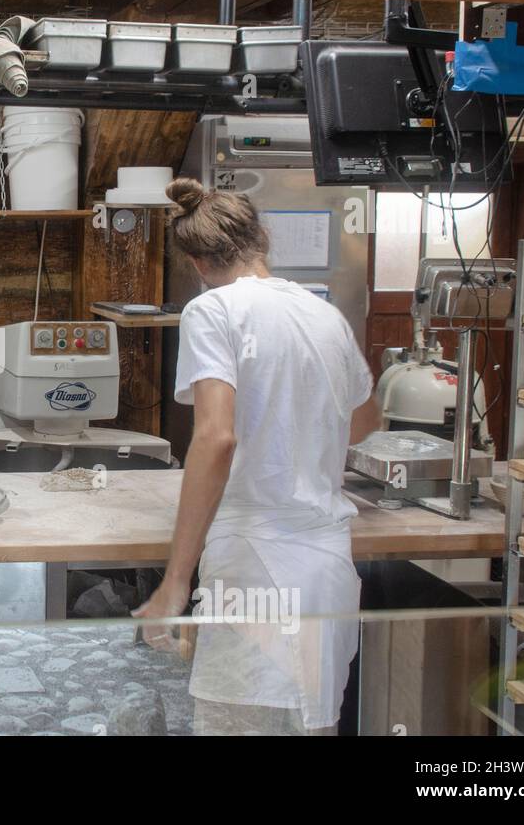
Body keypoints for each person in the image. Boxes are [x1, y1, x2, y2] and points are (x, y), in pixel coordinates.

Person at [133, 176, 381, 736]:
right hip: (327, 572)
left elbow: (216, 438)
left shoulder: (213, 311)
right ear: (261, 240)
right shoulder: (324, 316)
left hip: (257, 569)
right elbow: (365, 425)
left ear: (197, 263)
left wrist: (175, 580)